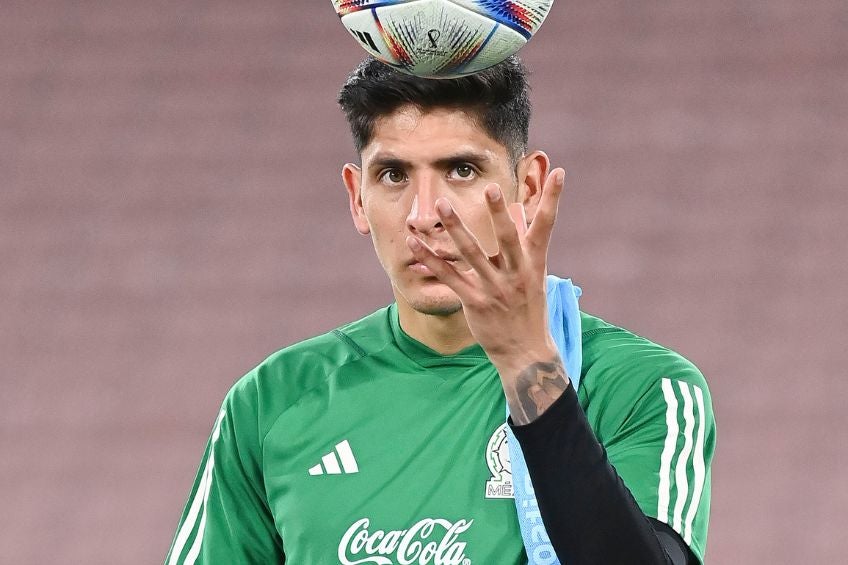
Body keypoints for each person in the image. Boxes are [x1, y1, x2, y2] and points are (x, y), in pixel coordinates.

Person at [165, 56, 715, 565]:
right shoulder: (273, 401)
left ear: (527, 185)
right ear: (358, 198)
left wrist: (529, 368)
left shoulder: (641, 386)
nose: (424, 215)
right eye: (394, 176)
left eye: (461, 170)